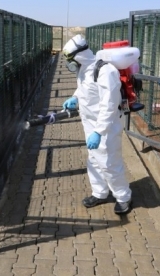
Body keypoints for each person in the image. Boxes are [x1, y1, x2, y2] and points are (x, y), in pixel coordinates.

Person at [61, 34, 132, 214]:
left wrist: (99, 132)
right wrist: (75, 98)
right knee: (93, 160)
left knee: (110, 163)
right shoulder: (84, 69)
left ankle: (123, 197)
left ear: (79, 55)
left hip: (107, 126)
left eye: (70, 58)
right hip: (89, 123)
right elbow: (84, 89)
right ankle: (100, 192)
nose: (70, 63)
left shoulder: (106, 71)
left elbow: (110, 105)